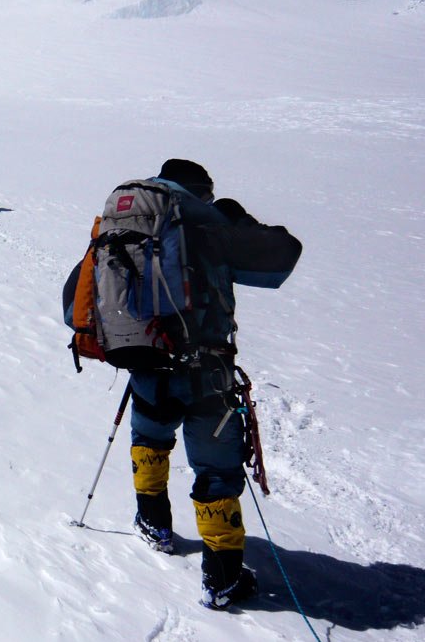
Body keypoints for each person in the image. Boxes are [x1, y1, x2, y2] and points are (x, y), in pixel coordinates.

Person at [126, 158, 301, 610]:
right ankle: (222, 577)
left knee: (150, 438)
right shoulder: (207, 225)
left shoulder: (132, 223)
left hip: (147, 363)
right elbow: (282, 255)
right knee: (217, 471)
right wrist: (236, 219)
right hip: (206, 371)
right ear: (200, 191)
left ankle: (154, 525)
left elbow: (78, 305)